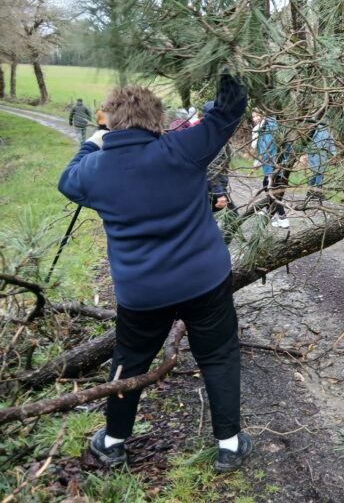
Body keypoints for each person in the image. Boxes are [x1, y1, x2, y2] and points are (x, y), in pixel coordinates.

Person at [58, 75, 252, 473]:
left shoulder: (93, 169)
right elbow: (227, 111)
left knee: (129, 361)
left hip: (141, 291)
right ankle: (229, 445)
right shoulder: (183, 148)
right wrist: (225, 69)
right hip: (203, 279)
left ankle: (113, 442)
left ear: (110, 120)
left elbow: (68, 180)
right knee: (218, 355)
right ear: (157, 120)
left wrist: (94, 141)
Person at [256, 115, 290, 228]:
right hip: (276, 166)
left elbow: (267, 149)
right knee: (267, 186)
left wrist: (260, 160)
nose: (255, 119)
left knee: (272, 191)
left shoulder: (270, 129)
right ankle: (268, 210)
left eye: (257, 115)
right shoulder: (269, 128)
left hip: (273, 166)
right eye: (253, 116)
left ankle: (283, 218)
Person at [301, 122, 337, 202]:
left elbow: (308, 141)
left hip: (317, 154)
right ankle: (318, 192)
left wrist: (306, 153)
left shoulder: (319, 129)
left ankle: (310, 191)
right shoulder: (320, 130)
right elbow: (330, 142)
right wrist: (334, 153)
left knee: (316, 173)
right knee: (319, 173)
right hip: (316, 154)